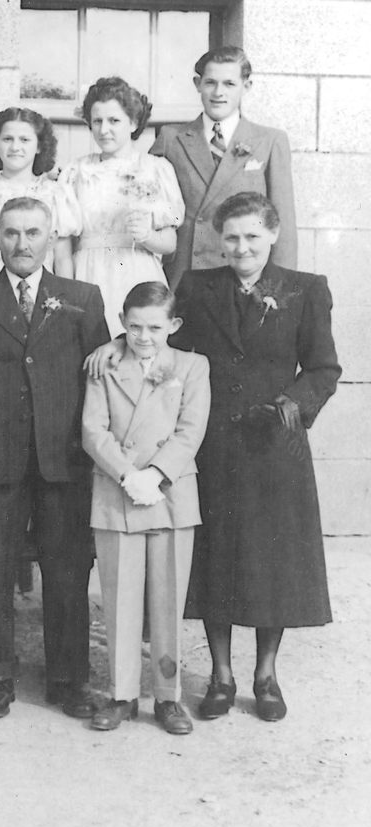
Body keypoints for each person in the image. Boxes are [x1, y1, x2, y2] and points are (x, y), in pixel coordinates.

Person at [86, 192, 338, 723]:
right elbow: (159, 333)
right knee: (216, 561)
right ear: (219, 240)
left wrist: (292, 404)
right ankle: (221, 676)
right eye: (232, 237)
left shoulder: (305, 289)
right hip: (214, 443)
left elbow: (323, 368)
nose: (242, 247)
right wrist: (116, 342)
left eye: (252, 237)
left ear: (272, 235)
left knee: (273, 563)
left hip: (274, 445)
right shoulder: (199, 287)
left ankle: (265, 675)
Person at [0, 197, 110, 721]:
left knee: (66, 569)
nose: (23, 244)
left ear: (51, 237)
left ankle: (69, 680)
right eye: (13, 233)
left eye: (34, 233)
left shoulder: (82, 297)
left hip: (62, 457)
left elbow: (100, 378)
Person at [81, 283, 209, 735]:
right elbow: (93, 431)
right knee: (119, 598)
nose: (143, 337)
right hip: (117, 491)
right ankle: (122, 695)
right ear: (122, 323)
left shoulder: (192, 366)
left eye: (154, 327)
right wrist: (126, 475)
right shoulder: (105, 367)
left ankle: (168, 697)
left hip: (170, 493)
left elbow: (191, 430)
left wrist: (154, 474)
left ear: (173, 325)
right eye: (134, 327)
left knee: (167, 599)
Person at [151, 46, 297, 289]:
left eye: (229, 84)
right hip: (185, 278)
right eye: (210, 83)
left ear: (246, 86)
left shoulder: (269, 141)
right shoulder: (171, 138)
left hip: (245, 275)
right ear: (197, 84)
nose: (218, 93)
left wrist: (279, 290)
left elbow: (283, 225)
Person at [60, 77, 184, 336]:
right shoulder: (76, 172)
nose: (104, 130)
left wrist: (148, 236)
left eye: (114, 121)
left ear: (134, 122)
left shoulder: (155, 169)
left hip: (137, 270)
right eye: (97, 121)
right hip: (88, 273)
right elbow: (64, 246)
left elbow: (170, 243)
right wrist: (68, 292)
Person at [0, 107, 80, 285]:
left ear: (39, 146)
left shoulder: (54, 194)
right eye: (7, 139)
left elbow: (62, 259)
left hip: (40, 286)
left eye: (24, 140)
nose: (15, 147)